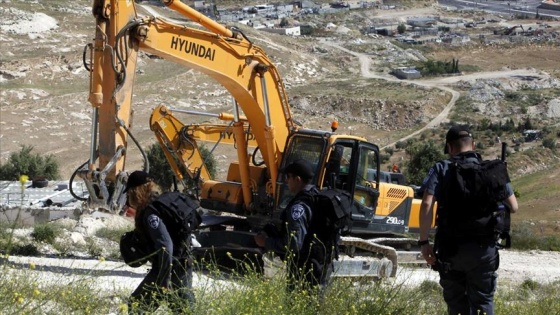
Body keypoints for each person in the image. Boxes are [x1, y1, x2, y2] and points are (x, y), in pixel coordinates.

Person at [418, 125, 518, 315]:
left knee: (456, 306)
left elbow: (426, 205)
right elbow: (514, 207)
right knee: (483, 303)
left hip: (450, 250)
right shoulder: (491, 169)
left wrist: (424, 242)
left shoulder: (442, 168)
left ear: (450, 147)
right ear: (473, 145)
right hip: (484, 250)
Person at [254, 159, 333, 291]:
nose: (286, 181)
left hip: (304, 269)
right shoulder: (316, 197)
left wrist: (266, 242)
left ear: (298, 179)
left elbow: (294, 244)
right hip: (320, 265)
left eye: (288, 177)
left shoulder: (299, 207)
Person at [124, 170, 195, 314]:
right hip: (183, 263)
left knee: (137, 307)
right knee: (182, 310)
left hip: (169, 268)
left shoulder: (151, 213)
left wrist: (164, 279)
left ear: (136, 190)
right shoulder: (161, 203)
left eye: (130, 191)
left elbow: (165, 246)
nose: (128, 196)